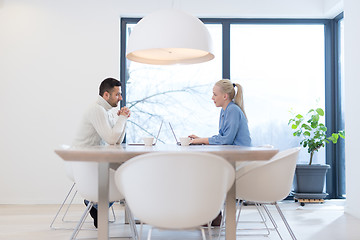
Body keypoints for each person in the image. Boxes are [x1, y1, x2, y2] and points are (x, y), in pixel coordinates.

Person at [189, 79, 251, 227]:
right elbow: (223, 137)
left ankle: (210, 214)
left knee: (207, 173)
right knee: (204, 171)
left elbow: (227, 139)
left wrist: (203, 140)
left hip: (239, 161)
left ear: (225, 96)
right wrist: (201, 139)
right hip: (232, 157)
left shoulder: (232, 110)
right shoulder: (225, 111)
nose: (212, 98)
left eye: (214, 94)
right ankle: (212, 214)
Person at [72, 77, 130, 228]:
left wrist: (122, 119)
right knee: (125, 173)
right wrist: (122, 118)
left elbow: (117, 140)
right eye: (117, 94)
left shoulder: (106, 111)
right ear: (106, 95)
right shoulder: (97, 110)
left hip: (95, 159)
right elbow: (111, 139)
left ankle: (96, 205)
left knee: (125, 170)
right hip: (86, 163)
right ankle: (96, 206)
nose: (121, 98)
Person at [189, 79, 251, 146]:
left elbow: (226, 140)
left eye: (215, 95)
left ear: (225, 96)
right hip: (234, 152)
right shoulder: (224, 110)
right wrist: (200, 140)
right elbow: (221, 138)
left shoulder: (233, 109)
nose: (212, 98)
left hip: (241, 154)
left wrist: (201, 140)